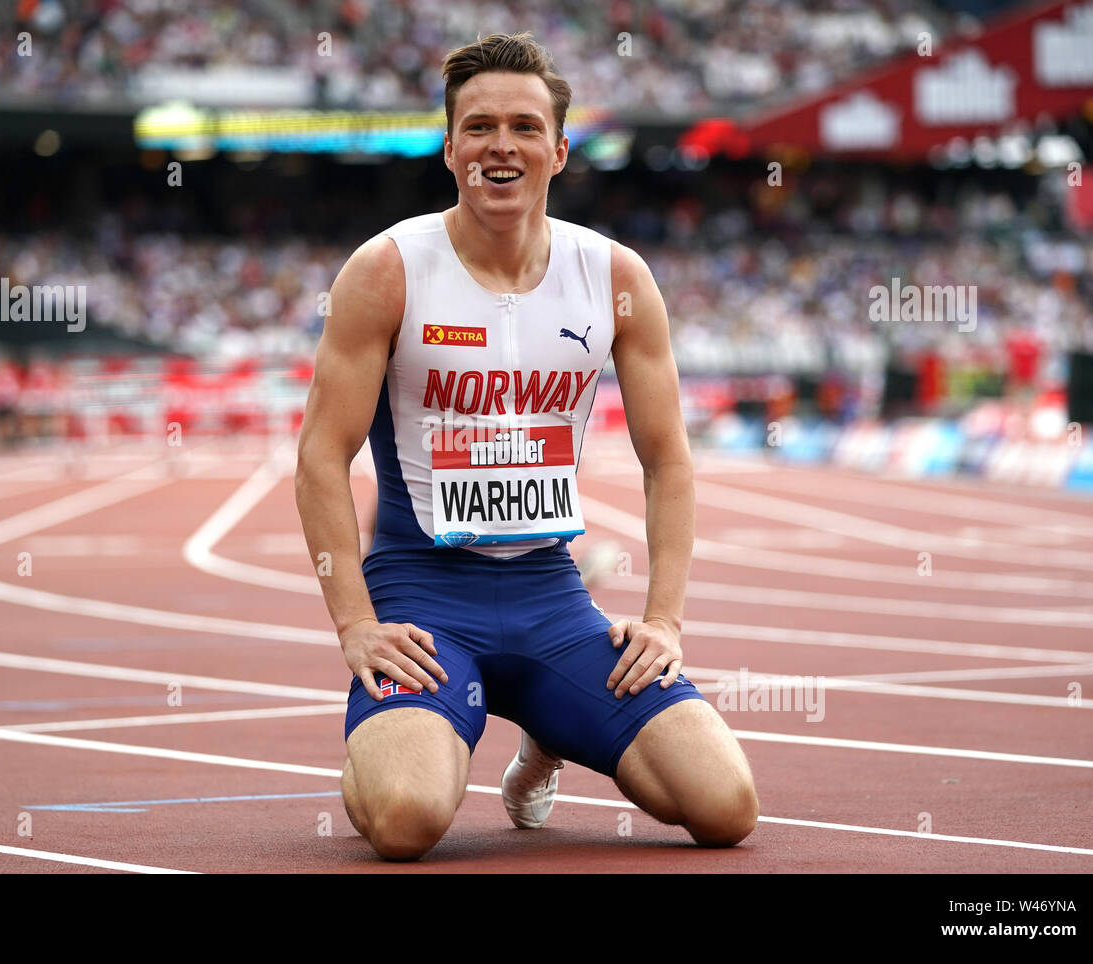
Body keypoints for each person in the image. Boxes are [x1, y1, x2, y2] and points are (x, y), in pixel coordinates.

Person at [295, 32, 758, 861]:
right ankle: (394, 744)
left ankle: (546, 737)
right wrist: (356, 627)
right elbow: (321, 457)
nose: (498, 146)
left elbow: (669, 460)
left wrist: (664, 621)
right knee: (406, 824)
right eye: (476, 127)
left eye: (522, 126)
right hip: (423, 599)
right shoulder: (387, 269)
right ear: (448, 148)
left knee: (725, 809)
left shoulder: (614, 276)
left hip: (553, 601)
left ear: (559, 149)